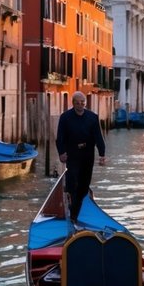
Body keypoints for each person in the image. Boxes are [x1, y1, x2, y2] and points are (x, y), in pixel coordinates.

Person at [56, 92, 106, 222]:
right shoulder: (65, 117)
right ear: (73, 103)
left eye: (82, 102)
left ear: (85, 103)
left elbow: (98, 137)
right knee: (73, 183)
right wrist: (61, 152)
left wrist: (102, 154)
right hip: (72, 153)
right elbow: (60, 137)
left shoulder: (92, 117)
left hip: (88, 154)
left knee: (84, 186)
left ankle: (76, 210)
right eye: (77, 102)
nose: (80, 105)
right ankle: (73, 213)